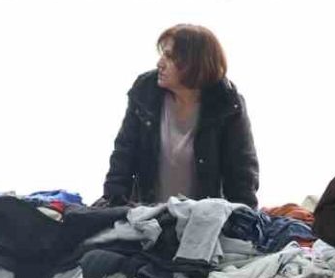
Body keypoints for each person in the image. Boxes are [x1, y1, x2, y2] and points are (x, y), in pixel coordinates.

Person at [101, 24, 260, 206]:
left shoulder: (227, 103)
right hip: (147, 213)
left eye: (169, 57)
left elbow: (242, 173)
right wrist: (113, 202)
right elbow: (123, 154)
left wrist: (243, 216)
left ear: (194, 63)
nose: (160, 63)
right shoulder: (145, 90)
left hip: (203, 217)